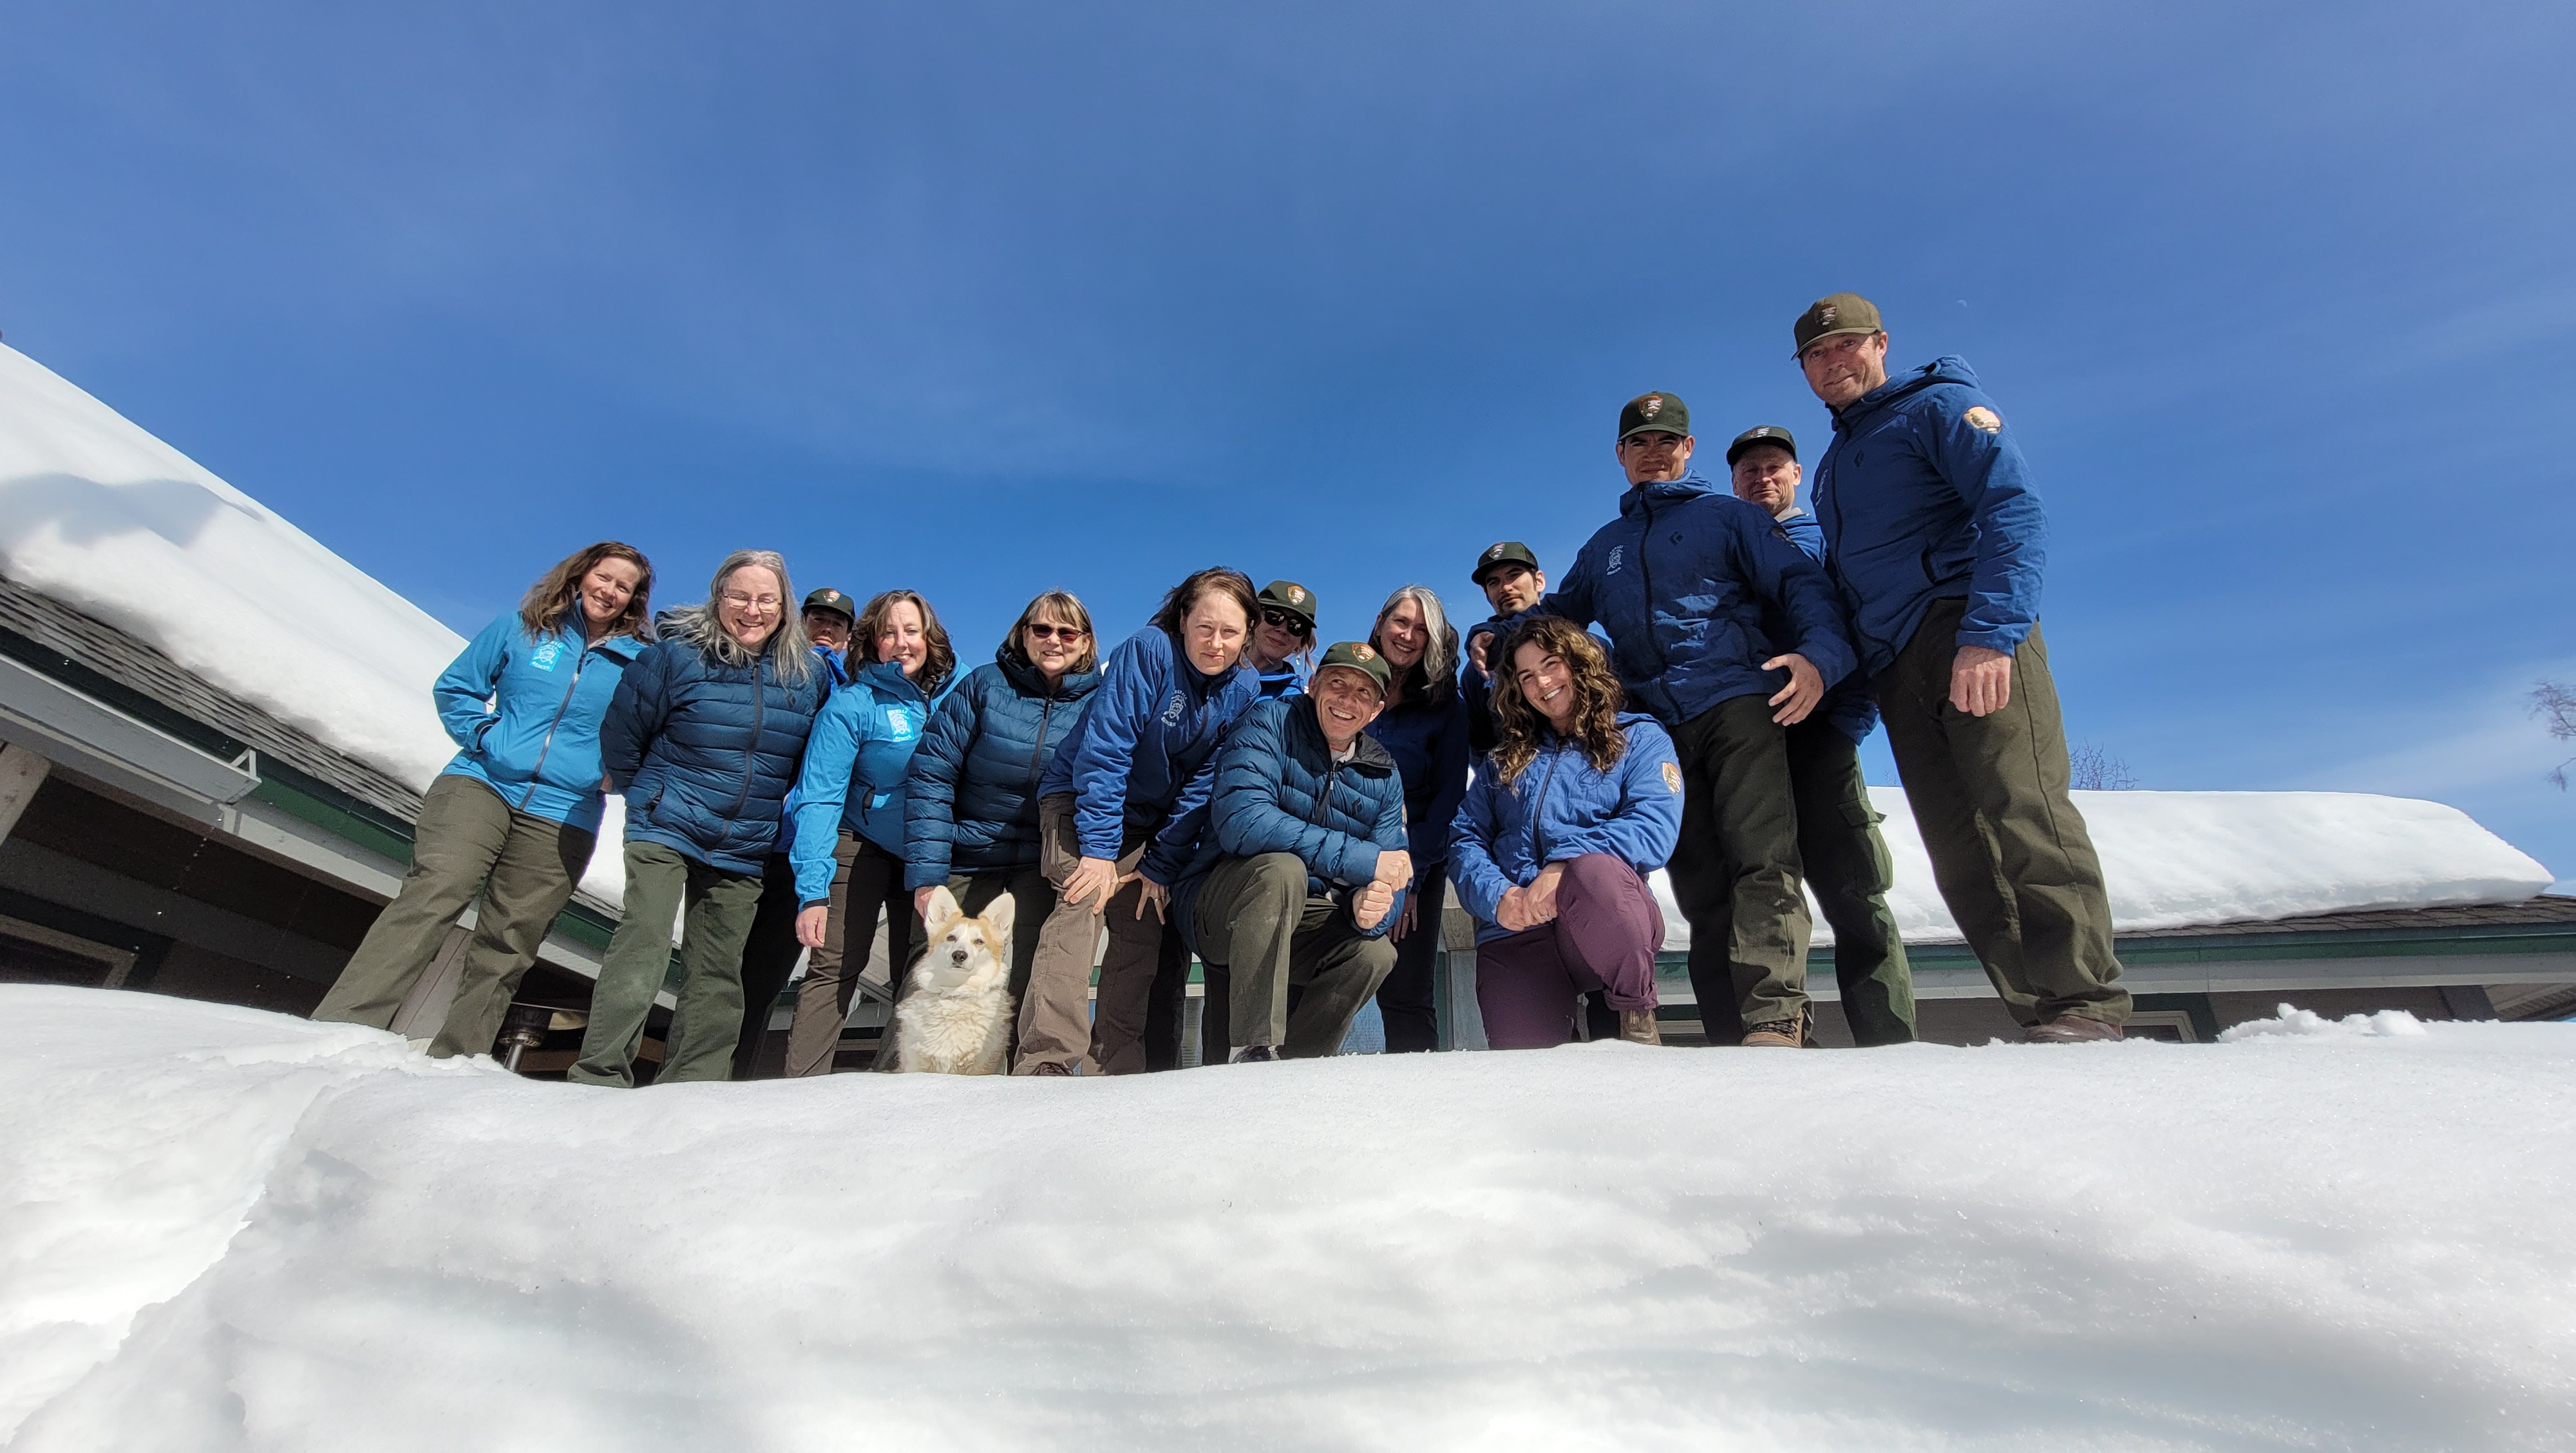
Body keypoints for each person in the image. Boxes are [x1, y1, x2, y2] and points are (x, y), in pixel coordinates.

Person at [1794, 292, 2131, 1041]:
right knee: (1958, 850)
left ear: (1880, 343)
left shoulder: (1941, 406)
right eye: (1815, 355)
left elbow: (2012, 509)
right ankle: (2038, 1011)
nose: (1830, 362)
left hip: (1964, 631)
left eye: (1843, 346)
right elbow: (1849, 588)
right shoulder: (1833, 465)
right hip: (1895, 666)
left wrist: (1991, 634)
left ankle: (2085, 1000)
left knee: (2023, 811)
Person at [1539, 390, 1858, 1049]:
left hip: (1739, 703)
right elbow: (1558, 618)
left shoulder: (1728, 517)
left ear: (1688, 449)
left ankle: (1774, 1017)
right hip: (1657, 728)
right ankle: (1725, 1031)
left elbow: (1800, 583)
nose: (1653, 453)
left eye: (1667, 441)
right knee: (1697, 878)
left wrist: (1820, 657)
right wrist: (1499, 638)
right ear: (1620, 456)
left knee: (1762, 860)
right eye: (1639, 443)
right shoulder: (1606, 547)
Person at [313, 543, 652, 1056]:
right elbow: (456, 688)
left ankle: (457, 1058)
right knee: (435, 894)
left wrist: (613, 776)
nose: (609, 591)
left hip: (567, 811)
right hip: (482, 783)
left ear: (634, 601)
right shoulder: (522, 627)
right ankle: (344, 1025)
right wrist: (488, 738)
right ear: (581, 575)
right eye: (604, 577)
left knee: (512, 937)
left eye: (623, 587)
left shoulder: (640, 665)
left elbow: (652, 739)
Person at [569, 550, 828, 1087]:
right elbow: (623, 735)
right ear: (718, 599)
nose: (752, 610)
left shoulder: (806, 676)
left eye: (766, 599)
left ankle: (692, 1086)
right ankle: (600, 1074)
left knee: (718, 971)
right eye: (740, 596)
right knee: (644, 942)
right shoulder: (676, 657)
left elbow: (810, 759)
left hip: (744, 841)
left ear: (784, 609)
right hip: (667, 823)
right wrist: (648, 794)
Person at [1018, 567, 1261, 1076]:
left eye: (1230, 632)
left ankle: (1115, 1066)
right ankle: (1048, 1061)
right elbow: (1107, 750)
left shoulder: (1245, 686)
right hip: (1081, 798)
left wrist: (1161, 864)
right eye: (1205, 627)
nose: (1216, 644)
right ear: (1182, 620)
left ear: (1246, 637)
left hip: (1150, 822)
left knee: (1141, 924)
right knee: (1082, 901)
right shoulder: (1149, 651)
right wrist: (1101, 851)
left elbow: (1203, 785)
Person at [1725, 426, 1918, 1047]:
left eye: (1774, 467)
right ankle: (1780, 1034)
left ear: (1798, 474)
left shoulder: (1829, 546)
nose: (1761, 478)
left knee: (1853, 892)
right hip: (1748, 742)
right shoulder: (1724, 549)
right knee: (1763, 889)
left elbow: (1862, 634)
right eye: (1749, 470)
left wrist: (1845, 724)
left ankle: (1888, 1039)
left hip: (1821, 735)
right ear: (1732, 481)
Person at [1450, 616, 1683, 1049]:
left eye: (1552, 664)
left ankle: (1635, 1013)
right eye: (1526, 676)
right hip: (1518, 926)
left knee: (1593, 873)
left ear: (1579, 664)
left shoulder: (1638, 737)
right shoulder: (1504, 759)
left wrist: (1562, 867)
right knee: (1528, 1069)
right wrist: (1500, 897)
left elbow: (1654, 825)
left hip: (1600, 916)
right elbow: (1466, 837)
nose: (1542, 682)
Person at [1173, 642, 1411, 1061]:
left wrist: (1372, 907)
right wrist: (1362, 860)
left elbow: (1393, 869)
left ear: (1375, 711)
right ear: (1313, 685)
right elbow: (1242, 821)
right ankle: (1251, 1047)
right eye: (1337, 684)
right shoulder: (1270, 722)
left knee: (1375, 953)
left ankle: (1298, 1069)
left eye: (1363, 693)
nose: (1347, 700)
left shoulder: (1384, 775)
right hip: (1221, 906)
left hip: (1303, 916)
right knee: (1284, 870)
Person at [900, 591, 1102, 1049]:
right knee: (933, 971)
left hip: (1040, 859)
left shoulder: (1100, 702)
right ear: (1023, 633)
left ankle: (1011, 1094)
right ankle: (902, 1081)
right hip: (967, 852)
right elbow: (932, 773)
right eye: (1042, 629)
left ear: (1086, 641)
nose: (1054, 640)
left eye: (1067, 631)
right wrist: (929, 875)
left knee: (1033, 974)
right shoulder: (985, 687)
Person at [782, 589, 958, 1075]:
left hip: (930, 851)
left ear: (930, 638)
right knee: (835, 963)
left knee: (926, 970)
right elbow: (818, 795)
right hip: (860, 841)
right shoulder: (853, 704)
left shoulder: (960, 692)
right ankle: (803, 1086)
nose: (901, 643)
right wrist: (814, 890)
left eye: (912, 631)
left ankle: (896, 1087)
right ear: (872, 641)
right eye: (889, 632)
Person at [731, 584, 863, 1078]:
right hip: (744, 840)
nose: (825, 628)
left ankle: (734, 1079)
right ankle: (693, 1076)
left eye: (836, 623)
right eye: (817, 619)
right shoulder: (768, 670)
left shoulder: (852, 694)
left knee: (765, 976)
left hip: (800, 851)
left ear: (849, 636)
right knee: (718, 967)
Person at [1358, 585, 1471, 1052]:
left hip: (1414, 863)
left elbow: (1447, 801)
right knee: (1310, 986)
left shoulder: (1445, 707)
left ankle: (1419, 1113)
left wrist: (1411, 882)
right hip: (1337, 856)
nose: (1407, 635)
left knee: (1405, 996)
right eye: (1401, 622)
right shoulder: (1350, 682)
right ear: (1382, 622)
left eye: (1421, 629)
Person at [1461, 542, 1546, 757]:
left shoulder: (1586, 646)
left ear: (1539, 581)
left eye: (1514, 575)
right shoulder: (1477, 671)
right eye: (1494, 582)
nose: (1505, 588)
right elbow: (1481, 750)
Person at [1249, 580, 1319, 698]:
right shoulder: (1214, 665)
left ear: (1301, 642)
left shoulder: (1295, 702)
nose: (1283, 629)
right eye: (1274, 617)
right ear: (1253, 618)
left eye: (1297, 626)